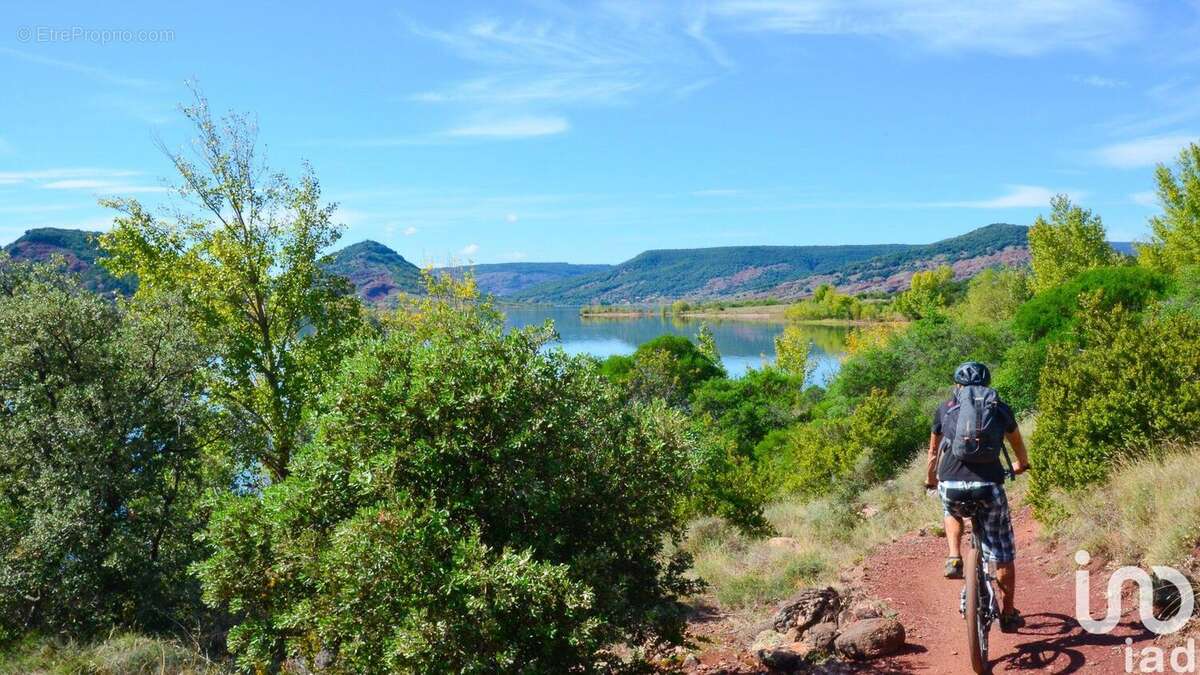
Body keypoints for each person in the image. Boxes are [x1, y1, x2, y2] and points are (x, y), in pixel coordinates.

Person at [924, 361, 1030, 633]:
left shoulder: (945, 409)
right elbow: (1017, 444)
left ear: (957, 385)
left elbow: (933, 453)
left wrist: (931, 480)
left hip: (952, 482)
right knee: (1003, 552)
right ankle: (1008, 614)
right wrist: (1021, 464)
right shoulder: (999, 408)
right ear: (987, 384)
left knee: (951, 511)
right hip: (988, 485)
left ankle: (953, 556)